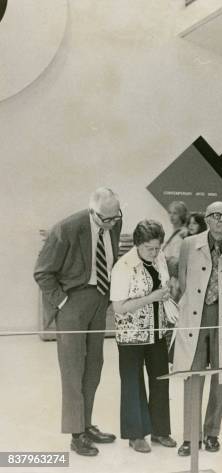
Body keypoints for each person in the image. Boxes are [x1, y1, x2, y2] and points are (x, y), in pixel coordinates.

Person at [33, 187, 122, 456]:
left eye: (115, 217)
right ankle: (76, 433)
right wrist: (62, 303)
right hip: (72, 302)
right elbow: (42, 272)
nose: (112, 223)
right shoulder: (66, 229)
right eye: (106, 219)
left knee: (94, 365)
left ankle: (86, 423)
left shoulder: (114, 220)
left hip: (100, 299)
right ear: (93, 212)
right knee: (73, 369)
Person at [172, 201, 222, 456]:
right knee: (192, 374)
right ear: (206, 219)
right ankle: (190, 437)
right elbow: (184, 281)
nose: (221, 219)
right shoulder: (189, 244)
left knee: (220, 377)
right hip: (195, 317)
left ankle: (211, 433)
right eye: (216, 215)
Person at [110, 220, 178, 453]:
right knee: (133, 382)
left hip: (157, 331)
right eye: (149, 248)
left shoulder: (158, 259)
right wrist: (152, 297)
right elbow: (118, 307)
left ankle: (160, 431)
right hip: (131, 336)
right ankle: (136, 435)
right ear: (137, 244)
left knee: (160, 380)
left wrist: (167, 292)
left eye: (158, 247)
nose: (155, 252)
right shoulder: (123, 266)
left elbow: (163, 286)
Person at [163, 201, 189, 299]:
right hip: (168, 274)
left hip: (176, 276)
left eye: (175, 213)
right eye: (170, 213)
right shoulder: (170, 232)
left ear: (181, 215)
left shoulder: (184, 233)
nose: (171, 216)